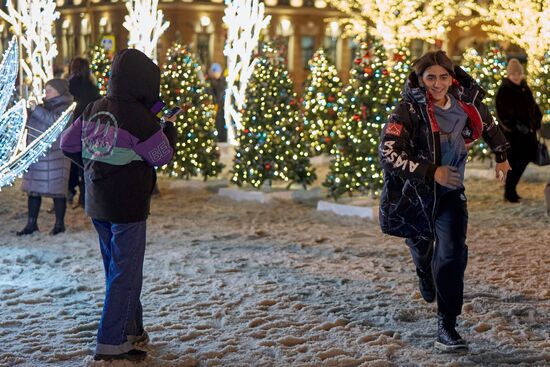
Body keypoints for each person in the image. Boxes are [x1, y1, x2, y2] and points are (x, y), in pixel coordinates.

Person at [379, 51, 511, 351]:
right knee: (422, 248)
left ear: (451, 78)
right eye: (430, 78)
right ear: (420, 79)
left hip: (451, 193)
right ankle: (423, 271)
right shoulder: (407, 111)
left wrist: (501, 156)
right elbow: (388, 154)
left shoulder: (465, 102)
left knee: (452, 255)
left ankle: (447, 326)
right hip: (417, 197)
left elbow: (488, 124)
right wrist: (431, 171)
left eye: (443, 77)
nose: (437, 84)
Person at [60, 49, 177, 362]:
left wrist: (93, 165)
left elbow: (67, 144)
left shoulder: (93, 108)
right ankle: (112, 342)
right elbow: (161, 156)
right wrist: (168, 129)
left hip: (98, 201)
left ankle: (132, 330)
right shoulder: (140, 119)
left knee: (119, 270)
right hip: (128, 202)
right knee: (125, 273)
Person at [18, 79, 74, 236]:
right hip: (37, 156)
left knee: (58, 192)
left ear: (59, 91)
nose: (46, 93)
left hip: (56, 157)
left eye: (49, 90)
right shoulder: (44, 106)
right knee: (33, 191)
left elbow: (55, 122)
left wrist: (36, 109)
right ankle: (31, 223)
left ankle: (59, 224)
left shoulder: (66, 107)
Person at [496, 58, 543, 203]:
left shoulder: (525, 88)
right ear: (509, 75)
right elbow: (502, 114)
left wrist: (536, 121)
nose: (516, 76)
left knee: (525, 160)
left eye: (518, 73)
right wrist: (515, 126)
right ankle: (509, 193)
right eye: (513, 74)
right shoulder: (504, 90)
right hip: (513, 137)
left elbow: (534, 108)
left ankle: (512, 190)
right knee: (514, 163)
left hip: (528, 135)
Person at [67, 57, 101, 209]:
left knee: (72, 162)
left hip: (74, 127)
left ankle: (70, 193)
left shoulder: (71, 85)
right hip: (90, 128)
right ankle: (84, 197)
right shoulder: (93, 87)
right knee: (86, 163)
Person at [208, 63, 227, 142]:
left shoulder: (223, 82)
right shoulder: (210, 82)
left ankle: (221, 139)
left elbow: (221, 94)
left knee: (221, 124)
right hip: (214, 107)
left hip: (221, 107)